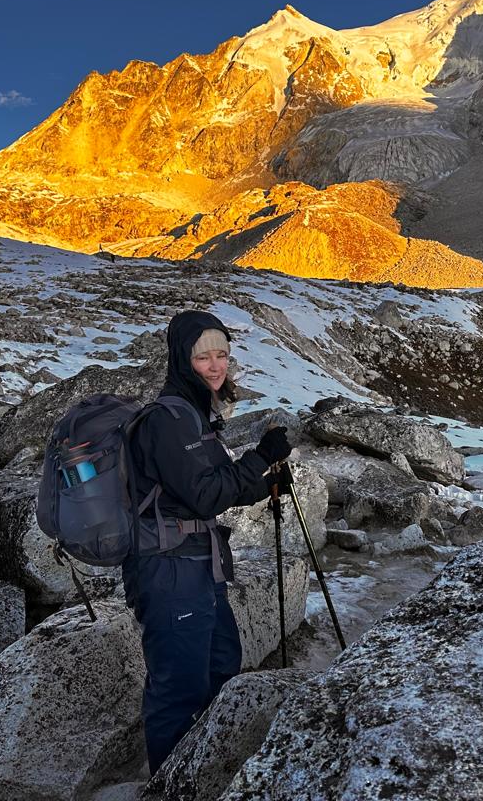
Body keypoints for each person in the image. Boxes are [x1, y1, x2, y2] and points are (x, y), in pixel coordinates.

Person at [122, 309, 292, 773]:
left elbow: (212, 485)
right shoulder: (170, 419)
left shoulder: (196, 412)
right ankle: (167, 784)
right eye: (203, 358)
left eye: (222, 355)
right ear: (182, 359)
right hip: (169, 567)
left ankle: (202, 773)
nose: (216, 366)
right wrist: (259, 459)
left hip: (198, 564)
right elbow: (204, 494)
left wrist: (267, 480)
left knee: (220, 669)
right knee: (179, 689)